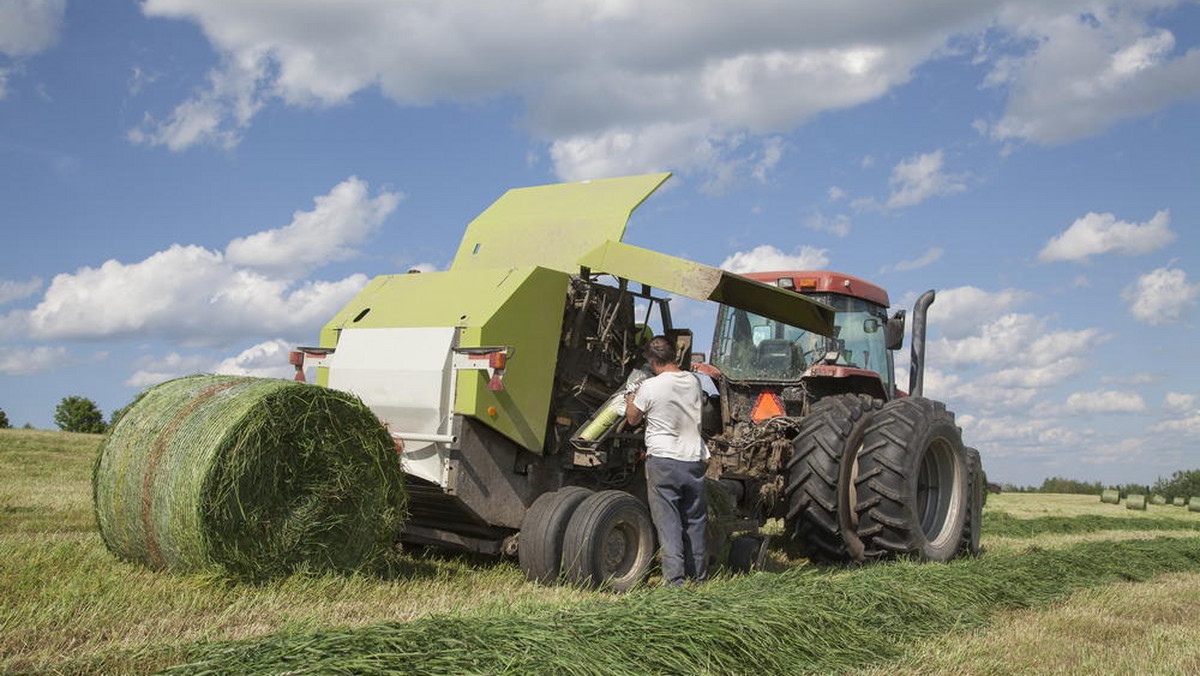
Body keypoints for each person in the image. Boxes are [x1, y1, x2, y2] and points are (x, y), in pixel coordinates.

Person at [624, 335, 708, 586]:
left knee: (668, 522)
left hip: (663, 462)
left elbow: (632, 419)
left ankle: (675, 582)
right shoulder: (694, 382)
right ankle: (699, 578)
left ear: (652, 361)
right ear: (674, 356)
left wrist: (631, 397)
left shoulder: (651, 386)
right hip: (693, 461)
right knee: (694, 521)